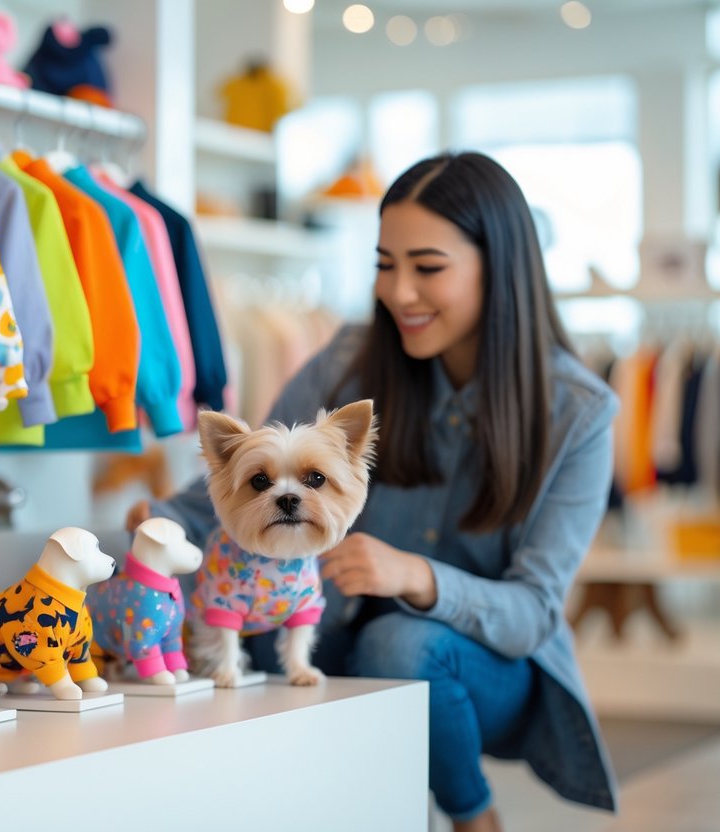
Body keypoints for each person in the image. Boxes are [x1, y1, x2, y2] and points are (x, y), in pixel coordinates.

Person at [127, 152, 618, 832]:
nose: (399, 292)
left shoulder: (578, 414)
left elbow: (533, 611)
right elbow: (248, 477)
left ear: (498, 267)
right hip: (329, 632)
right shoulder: (346, 361)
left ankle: (473, 818)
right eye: (385, 265)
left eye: (427, 267)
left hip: (484, 668)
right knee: (241, 641)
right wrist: (149, 532)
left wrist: (417, 577)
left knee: (399, 644)